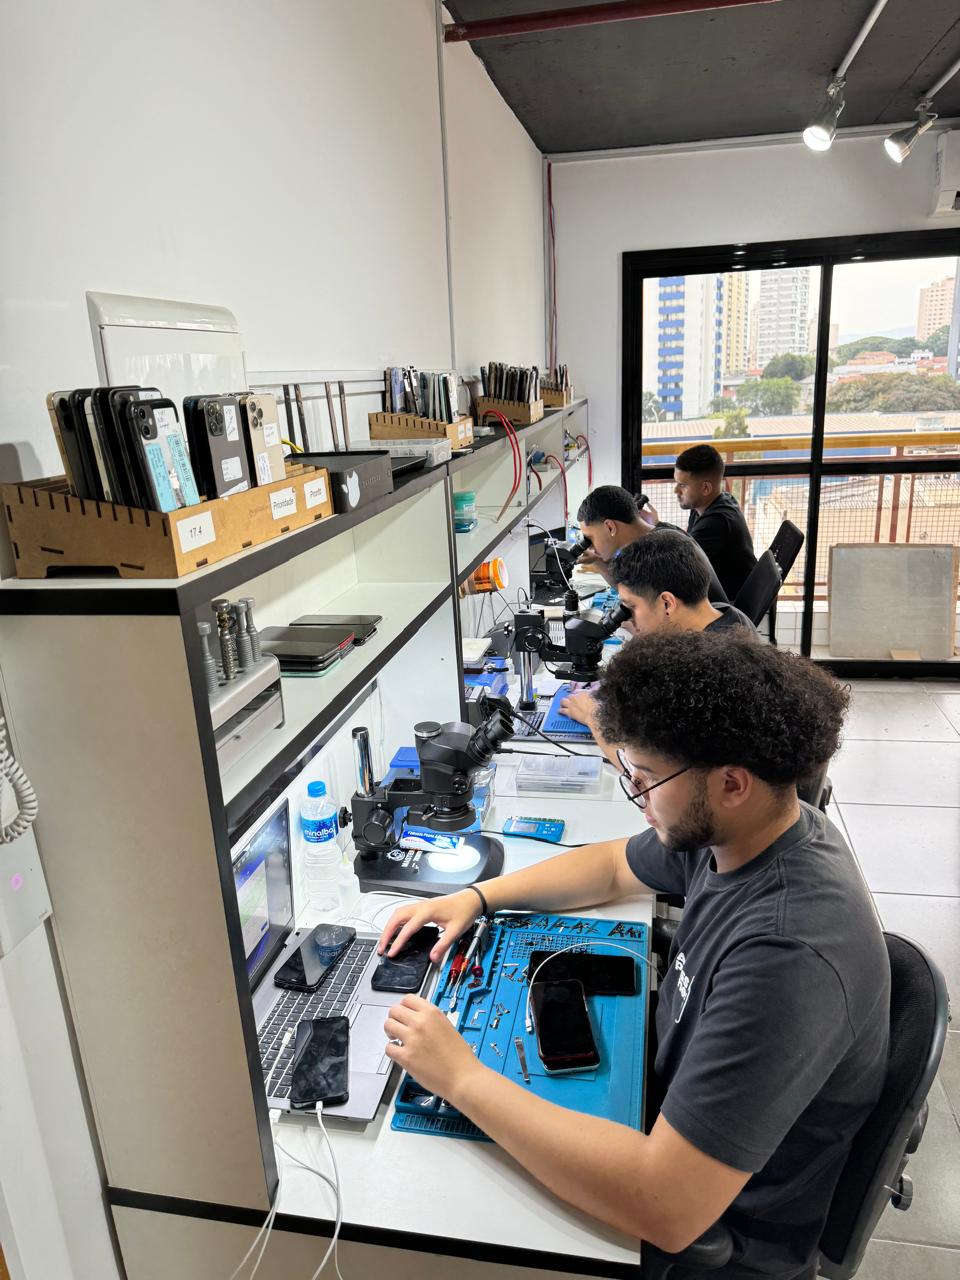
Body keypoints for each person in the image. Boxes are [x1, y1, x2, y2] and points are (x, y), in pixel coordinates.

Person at [378, 633, 889, 1280]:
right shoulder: (745, 831)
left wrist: (461, 1079)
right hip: (676, 1121)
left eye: (644, 778)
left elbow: (668, 1206)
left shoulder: (788, 954)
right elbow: (613, 867)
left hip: (719, 1236)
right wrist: (476, 898)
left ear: (731, 783)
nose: (635, 794)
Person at [559, 530, 756, 744]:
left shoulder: (705, 672)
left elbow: (647, 759)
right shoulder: (726, 614)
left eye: (631, 606)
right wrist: (641, 626)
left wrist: (593, 717)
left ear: (667, 604)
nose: (627, 616)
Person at [576, 484, 729, 604]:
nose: (591, 547)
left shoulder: (653, 553)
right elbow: (632, 589)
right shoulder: (664, 532)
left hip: (710, 633)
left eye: (590, 538)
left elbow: (634, 599)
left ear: (610, 527)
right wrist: (597, 561)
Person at [670, 444, 757, 600]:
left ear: (706, 488)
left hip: (728, 604)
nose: (676, 490)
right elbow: (686, 544)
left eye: (683, 485)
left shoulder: (716, 523)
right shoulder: (716, 501)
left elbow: (677, 567)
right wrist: (656, 524)